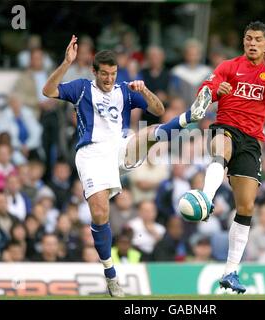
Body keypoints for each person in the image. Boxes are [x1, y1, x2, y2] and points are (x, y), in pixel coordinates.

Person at [42, 35, 205, 297]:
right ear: (95, 72)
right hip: (92, 154)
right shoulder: (82, 87)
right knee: (99, 214)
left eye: (113, 73)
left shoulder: (125, 90)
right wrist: (66, 63)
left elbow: (159, 108)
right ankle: (111, 276)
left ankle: (190, 116)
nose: (109, 79)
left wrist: (144, 90)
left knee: (151, 131)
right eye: (104, 74)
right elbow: (48, 91)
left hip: (120, 147)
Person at [188, 21, 265, 293]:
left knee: (246, 207)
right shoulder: (228, 66)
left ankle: (230, 272)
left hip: (252, 141)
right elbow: (205, 90)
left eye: (258, 39)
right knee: (220, 149)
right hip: (225, 127)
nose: (252, 43)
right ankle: (206, 198)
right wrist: (216, 91)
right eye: (248, 38)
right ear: (243, 40)